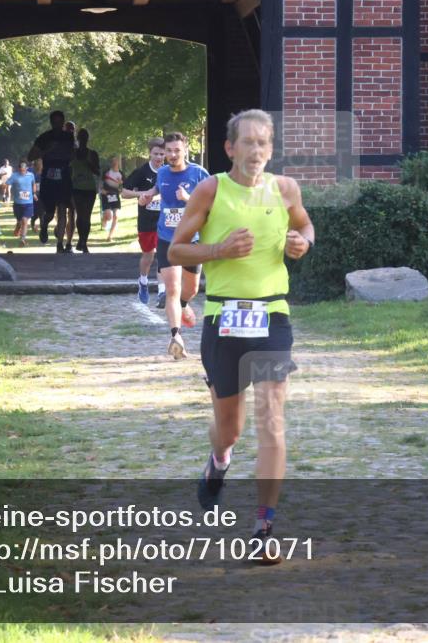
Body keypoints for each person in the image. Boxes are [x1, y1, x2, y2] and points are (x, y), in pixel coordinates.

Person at [167, 109, 313, 562]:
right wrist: (218, 250)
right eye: (247, 142)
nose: (256, 151)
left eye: (264, 143)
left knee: (271, 419)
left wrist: (303, 242)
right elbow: (176, 248)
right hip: (223, 319)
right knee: (230, 429)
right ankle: (219, 461)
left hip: (272, 316)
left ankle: (264, 528)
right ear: (230, 148)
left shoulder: (285, 189)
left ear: (271, 149)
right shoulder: (212, 189)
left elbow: (304, 224)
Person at [156, 132, 208, 359]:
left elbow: (214, 203)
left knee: (191, 289)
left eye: (177, 150)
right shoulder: (162, 173)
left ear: (186, 150)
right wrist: (147, 195)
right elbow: (159, 190)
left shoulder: (199, 173)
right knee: (173, 289)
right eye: (169, 150)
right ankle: (176, 337)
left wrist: (189, 199)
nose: (172, 154)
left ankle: (184, 305)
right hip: (167, 238)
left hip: (192, 240)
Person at [121, 137, 165, 304]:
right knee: (149, 255)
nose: (159, 157)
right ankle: (143, 281)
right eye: (156, 154)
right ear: (149, 154)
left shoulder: (168, 171)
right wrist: (142, 194)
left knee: (162, 255)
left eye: (162, 154)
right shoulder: (142, 172)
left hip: (164, 220)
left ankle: (162, 292)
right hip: (146, 221)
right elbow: (124, 193)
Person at [27, 110, 75, 251]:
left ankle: (60, 243)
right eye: (55, 122)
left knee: (62, 209)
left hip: (64, 176)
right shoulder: (44, 138)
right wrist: (47, 150)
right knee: (49, 212)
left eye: (60, 122)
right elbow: (30, 156)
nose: (58, 125)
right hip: (49, 176)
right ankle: (44, 225)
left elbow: (72, 155)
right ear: (51, 123)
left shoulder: (69, 137)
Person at [0, 159, 37, 246]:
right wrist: (0, 184)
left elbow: (33, 184)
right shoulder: (14, 176)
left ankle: (22, 239)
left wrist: (34, 194)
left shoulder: (31, 175)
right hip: (18, 204)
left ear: (27, 168)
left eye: (24, 169)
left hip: (28, 203)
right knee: (19, 221)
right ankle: (17, 228)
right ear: (19, 169)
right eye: (21, 170)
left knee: (25, 221)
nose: (23, 171)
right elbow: (6, 184)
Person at [69, 127, 99, 253]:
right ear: (78, 138)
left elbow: (97, 171)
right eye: (81, 137)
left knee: (86, 216)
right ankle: (82, 240)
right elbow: (68, 169)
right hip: (76, 188)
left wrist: (89, 164)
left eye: (85, 137)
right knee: (80, 215)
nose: (83, 140)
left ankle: (84, 242)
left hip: (89, 189)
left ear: (87, 139)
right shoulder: (72, 153)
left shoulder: (92, 154)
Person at [100, 155, 123, 242]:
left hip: (115, 196)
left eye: (116, 161)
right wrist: (101, 190)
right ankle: (104, 218)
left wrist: (121, 188)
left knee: (116, 216)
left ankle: (110, 236)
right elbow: (101, 183)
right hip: (106, 196)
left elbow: (123, 185)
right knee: (109, 216)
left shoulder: (120, 173)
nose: (114, 163)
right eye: (113, 161)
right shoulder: (106, 172)